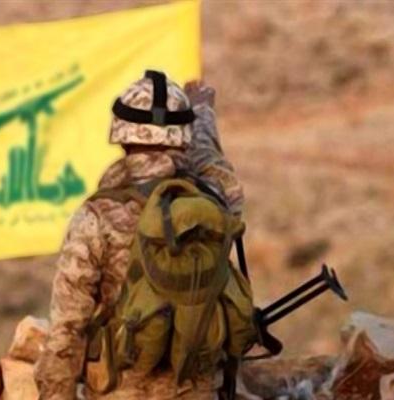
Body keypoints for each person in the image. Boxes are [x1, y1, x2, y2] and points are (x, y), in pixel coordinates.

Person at [34, 70, 244, 400]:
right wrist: (203, 115)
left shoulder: (96, 216)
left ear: (121, 134)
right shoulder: (214, 204)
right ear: (183, 137)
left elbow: (67, 328)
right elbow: (215, 168)